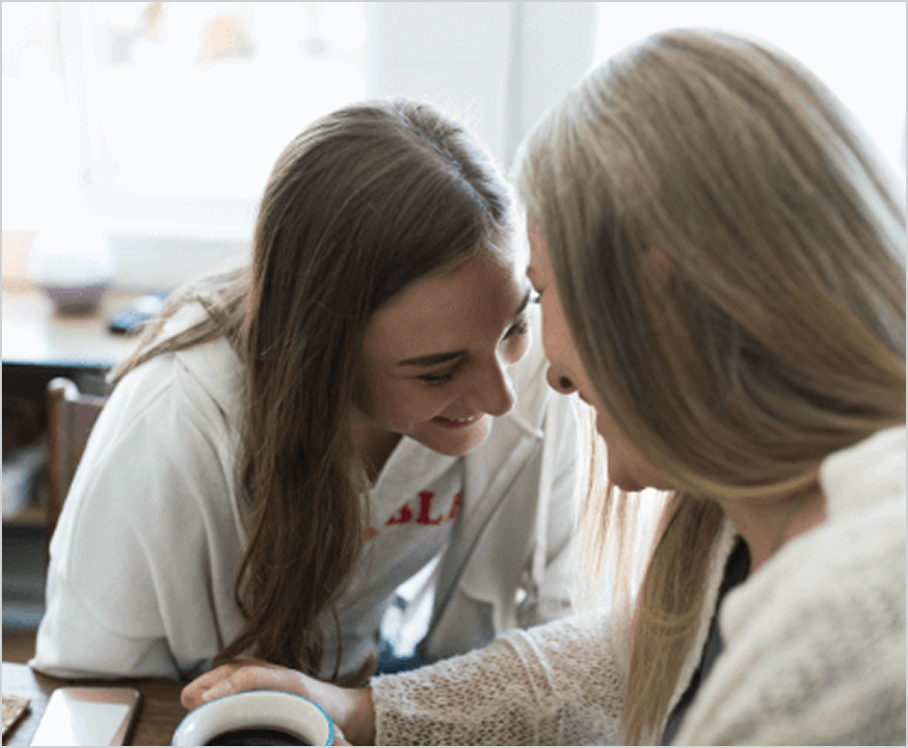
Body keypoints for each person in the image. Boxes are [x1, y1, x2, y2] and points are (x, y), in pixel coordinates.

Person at [182, 28, 906, 745]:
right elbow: (632, 654)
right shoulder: (748, 522)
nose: (549, 376)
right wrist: (361, 711)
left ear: (660, 302)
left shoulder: (849, 629)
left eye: (543, 294)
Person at [32, 99, 580, 684]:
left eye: (515, 328)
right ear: (321, 351)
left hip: (374, 683)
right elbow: (89, 693)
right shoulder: (170, 423)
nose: (502, 398)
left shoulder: (527, 362)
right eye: (438, 371)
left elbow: (561, 620)